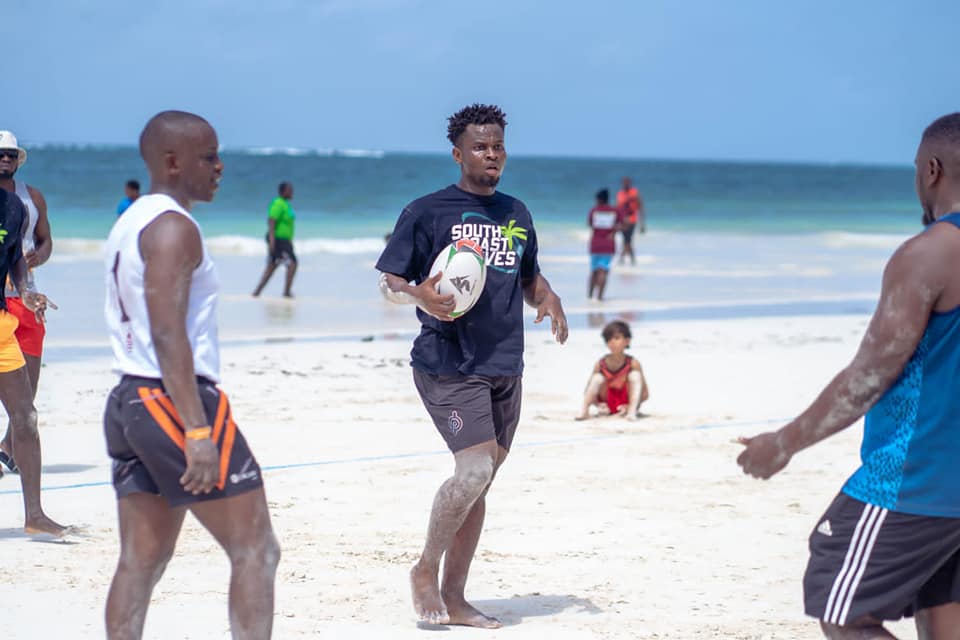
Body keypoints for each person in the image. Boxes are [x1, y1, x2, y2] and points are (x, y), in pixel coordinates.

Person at [737, 112, 960, 639]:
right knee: (941, 614)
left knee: (842, 609)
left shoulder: (930, 253)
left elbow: (870, 374)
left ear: (931, 169)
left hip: (913, 482)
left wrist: (784, 443)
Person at [376, 103, 568, 628]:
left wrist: (548, 298)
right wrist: (420, 295)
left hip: (506, 364)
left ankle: (455, 598)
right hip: (448, 364)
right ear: (458, 154)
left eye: (498, 146)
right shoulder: (427, 212)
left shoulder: (516, 213)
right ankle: (424, 570)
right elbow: (389, 280)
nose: (492, 155)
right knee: (475, 468)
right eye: (481, 147)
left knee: (479, 483)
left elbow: (528, 278)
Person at [103, 111, 279, 639]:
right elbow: (168, 333)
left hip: (129, 399)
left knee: (142, 561)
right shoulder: (174, 227)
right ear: (173, 162)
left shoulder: (129, 220)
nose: (220, 167)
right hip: (171, 400)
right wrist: (197, 429)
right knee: (256, 549)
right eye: (209, 156)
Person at [0, 186, 67, 535]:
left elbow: (15, 255)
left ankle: (34, 516)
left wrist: (25, 291)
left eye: (10, 154)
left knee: (25, 416)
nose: (4, 161)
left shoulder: (15, 206)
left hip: (4, 319)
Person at [0, 130, 53, 475]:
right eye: (0, 154)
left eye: (11, 155)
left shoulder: (29, 198)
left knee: (28, 381)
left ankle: (8, 446)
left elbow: (45, 240)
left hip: (23, 294)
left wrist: (35, 259)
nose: (6, 159)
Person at [575, 320, 648, 420]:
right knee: (597, 378)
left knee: (635, 375)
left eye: (617, 338)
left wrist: (631, 406)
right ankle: (584, 411)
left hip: (626, 403)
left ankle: (631, 412)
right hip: (606, 403)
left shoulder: (633, 363)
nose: (612, 342)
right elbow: (587, 391)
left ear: (627, 341)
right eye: (608, 339)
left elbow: (645, 394)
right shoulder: (601, 364)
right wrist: (598, 404)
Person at [251, 182, 297, 298]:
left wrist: (290, 241)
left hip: (285, 241)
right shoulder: (278, 204)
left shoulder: (286, 205)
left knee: (273, 265)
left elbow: (289, 226)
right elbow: (271, 222)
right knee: (292, 263)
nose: (292, 192)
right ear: (283, 191)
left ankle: (257, 292)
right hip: (277, 240)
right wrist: (272, 242)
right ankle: (286, 292)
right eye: (289, 190)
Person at [587, 188, 624, 301]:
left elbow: (590, 224)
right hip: (608, 244)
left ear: (598, 199)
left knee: (594, 270)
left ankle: (589, 296)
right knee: (603, 271)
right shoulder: (615, 211)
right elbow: (623, 224)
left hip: (595, 243)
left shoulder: (594, 210)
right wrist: (614, 231)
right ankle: (599, 297)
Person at [616, 176, 645, 265]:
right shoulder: (620, 194)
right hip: (622, 221)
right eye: (624, 182)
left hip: (632, 220)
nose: (626, 184)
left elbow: (641, 207)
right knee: (627, 241)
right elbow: (618, 208)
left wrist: (642, 223)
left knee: (627, 240)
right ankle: (632, 261)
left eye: (627, 182)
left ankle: (622, 260)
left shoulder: (634, 193)